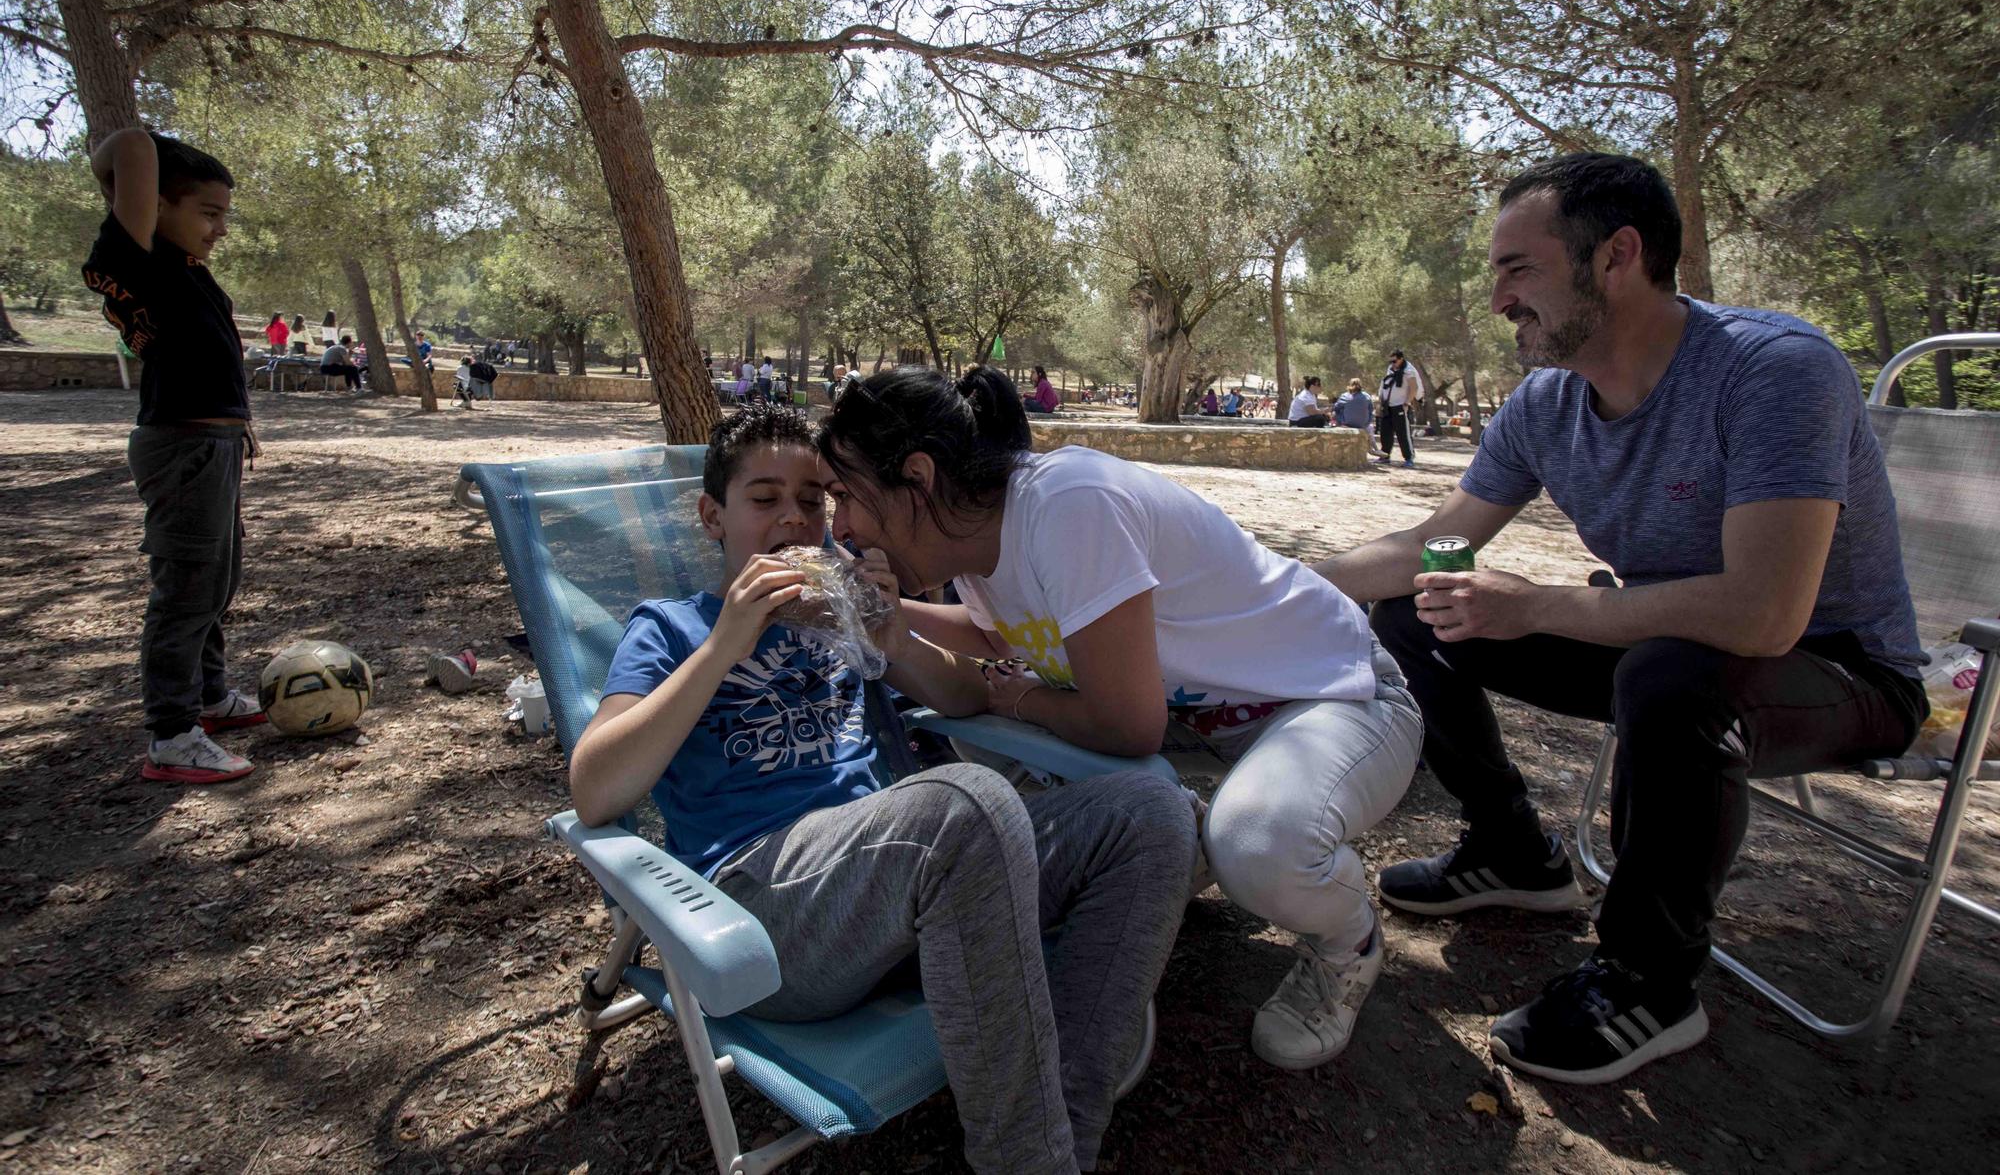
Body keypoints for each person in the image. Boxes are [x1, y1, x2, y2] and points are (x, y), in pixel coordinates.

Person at [1315, 152, 1929, 1085]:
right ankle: (1512, 850)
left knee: (1671, 674)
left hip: (1836, 669)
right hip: (1665, 645)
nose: (1497, 302)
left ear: (1618, 256)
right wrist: (1273, 577)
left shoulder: (1774, 370)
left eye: (1518, 270)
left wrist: (1541, 607)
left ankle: (1650, 979)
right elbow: (1435, 540)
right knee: (1420, 608)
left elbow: (1763, 614)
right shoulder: (1546, 403)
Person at [575, 406, 1196, 1175]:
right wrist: (724, 644)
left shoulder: (844, 621)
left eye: (813, 500)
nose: (796, 520)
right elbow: (596, 786)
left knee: (1151, 812)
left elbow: (967, 696)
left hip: (914, 883)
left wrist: (890, 633)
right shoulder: (670, 628)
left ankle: (1054, 1134)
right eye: (765, 499)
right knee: (963, 804)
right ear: (713, 516)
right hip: (771, 909)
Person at [821, 367, 1422, 1073]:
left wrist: (1006, 695)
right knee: (992, 745)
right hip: (1206, 728)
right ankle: (1183, 849)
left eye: (845, 497)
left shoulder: (1067, 505)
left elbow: (1126, 723)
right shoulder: (979, 537)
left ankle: (1346, 940)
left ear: (917, 478)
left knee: (1259, 843)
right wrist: (880, 613)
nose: (841, 528)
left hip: (1336, 696)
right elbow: (999, 638)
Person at [82, 128, 263, 784]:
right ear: (156, 206)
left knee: (217, 579)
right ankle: (171, 732)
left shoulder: (185, 269)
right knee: (186, 587)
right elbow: (127, 147)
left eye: (224, 216)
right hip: (182, 447)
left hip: (212, 447)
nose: (219, 229)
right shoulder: (142, 261)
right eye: (208, 213)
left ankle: (208, 696)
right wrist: (156, 155)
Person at [1376, 350, 1420, 466]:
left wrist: (1407, 403)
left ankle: (1409, 458)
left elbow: (1414, 388)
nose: (1392, 363)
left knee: (1403, 434)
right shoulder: (1390, 370)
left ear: (1401, 359)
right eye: (1391, 361)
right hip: (1387, 406)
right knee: (1385, 432)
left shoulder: (1408, 371)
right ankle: (1385, 455)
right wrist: (1380, 402)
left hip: (1399, 406)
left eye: (1394, 361)